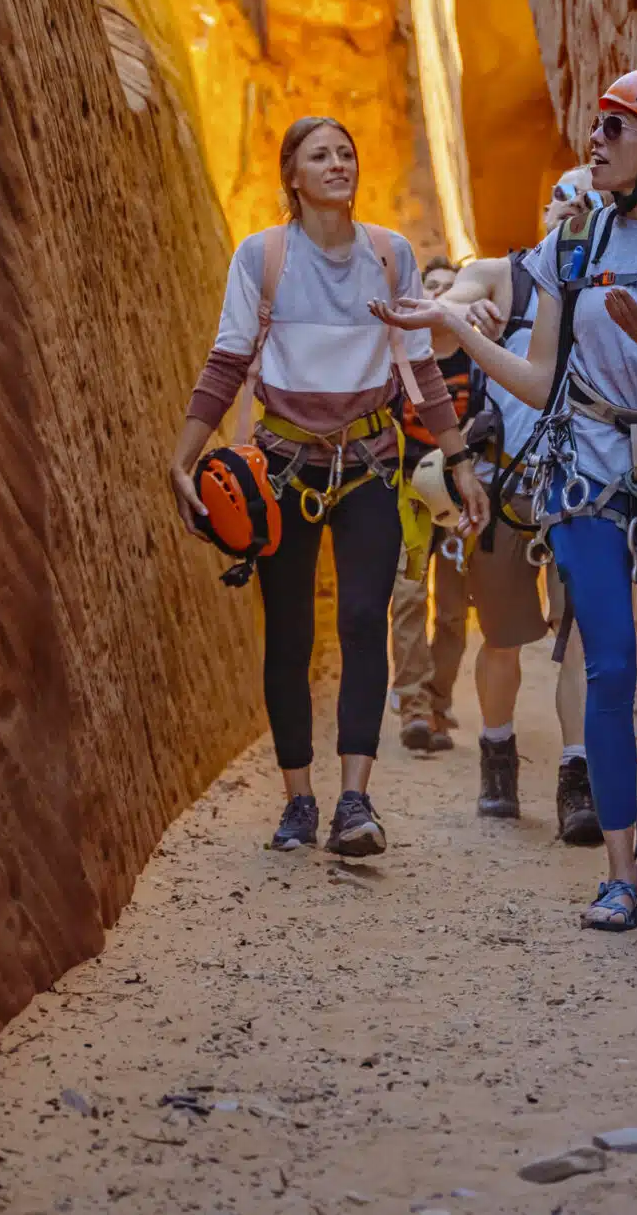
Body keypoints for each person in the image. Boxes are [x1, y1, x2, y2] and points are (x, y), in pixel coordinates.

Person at [375, 71, 637, 930]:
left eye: (615, 130)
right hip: (587, 473)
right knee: (609, 664)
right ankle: (622, 873)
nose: (595, 142)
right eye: (597, 127)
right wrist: (461, 332)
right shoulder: (574, 247)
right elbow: (543, 377)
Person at [172, 117, 489, 857]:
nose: (338, 163)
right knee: (288, 634)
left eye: (346, 152)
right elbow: (227, 361)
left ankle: (354, 799)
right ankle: (297, 801)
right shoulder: (264, 258)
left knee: (360, 619)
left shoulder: (390, 255)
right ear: (293, 174)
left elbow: (421, 370)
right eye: (321, 155)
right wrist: (181, 458)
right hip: (282, 467)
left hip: (370, 464)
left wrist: (460, 458)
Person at [435, 169, 603, 839]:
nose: (575, 206)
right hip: (507, 484)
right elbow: (442, 318)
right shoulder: (502, 277)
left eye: (593, 200)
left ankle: (577, 775)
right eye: (566, 194)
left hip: (583, 484)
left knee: (584, 638)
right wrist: (457, 312)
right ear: (546, 206)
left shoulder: (608, 289)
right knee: (502, 638)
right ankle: (497, 751)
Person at [389, 260, 475, 753]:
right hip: (411, 497)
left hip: (462, 499)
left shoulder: (476, 359)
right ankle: (414, 708)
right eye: (433, 286)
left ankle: (438, 704)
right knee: (407, 597)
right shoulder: (401, 359)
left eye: (450, 288)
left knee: (451, 610)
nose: (441, 295)